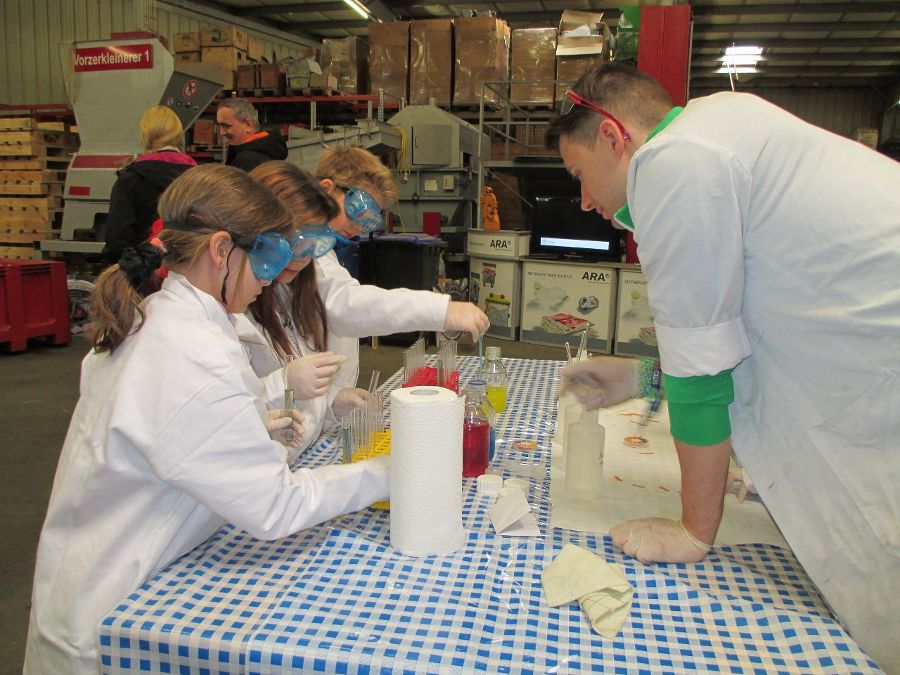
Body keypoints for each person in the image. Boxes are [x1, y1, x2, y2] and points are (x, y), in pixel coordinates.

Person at [547, 63, 900, 671]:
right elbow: (739, 330)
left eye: (579, 175)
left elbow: (703, 373)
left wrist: (693, 531)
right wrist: (640, 377)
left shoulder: (674, 163)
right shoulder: (718, 127)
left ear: (612, 136)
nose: (582, 200)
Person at [24, 164, 389, 674]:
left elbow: (176, 428)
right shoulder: (188, 347)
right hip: (104, 621)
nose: (273, 277)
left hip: (122, 577)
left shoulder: (172, 314)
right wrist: (389, 472)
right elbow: (274, 507)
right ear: (221, 249)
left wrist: (258, 416)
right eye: (269, 255)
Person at [313, 147, 490, 392]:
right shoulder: (303, 254)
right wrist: (440, 310)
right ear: (326, 190)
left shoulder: (327, 252)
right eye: (355, 209)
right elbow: (345, 306)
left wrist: (334, 400)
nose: (358, 227)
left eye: (369, 221)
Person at [100, 105, 196, 264]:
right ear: (178, 134)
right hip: (188, 270)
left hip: (143, 274)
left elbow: (117, 238)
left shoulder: (130, 179)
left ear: (145, 135)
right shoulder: (200, 178)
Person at [216, 96, 287, 171]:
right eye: (219, 126)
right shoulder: (269, 150)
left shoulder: (248, 160)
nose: (221, 132)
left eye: (226, 126)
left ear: (248, 125)